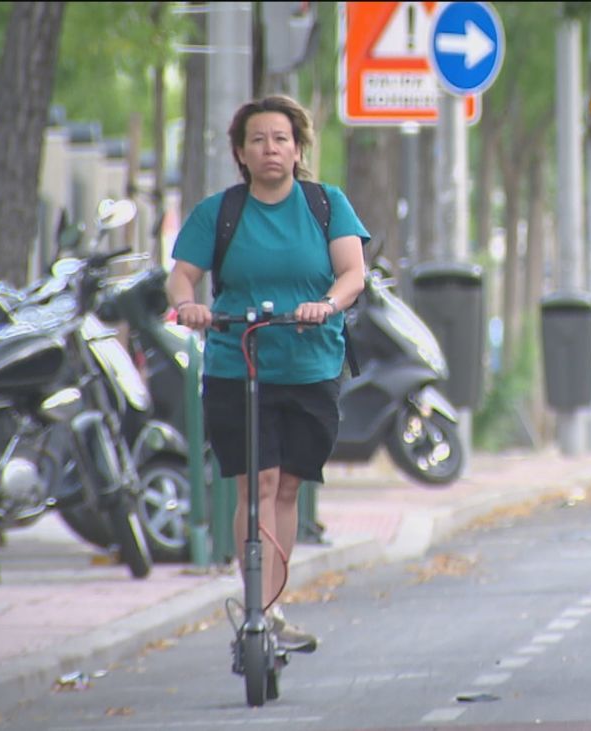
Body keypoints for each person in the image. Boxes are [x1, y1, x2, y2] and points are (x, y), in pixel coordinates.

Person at [165, 95, 369, 651]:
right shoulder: (221, 211)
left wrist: (325, 304)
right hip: (239, 362)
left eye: (280, 138)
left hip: (311, 363)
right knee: (257, 483)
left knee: (288, 487)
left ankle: (272, 607)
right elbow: (181, 276)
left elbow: (353, 273)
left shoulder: (327, 205)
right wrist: (190, 306)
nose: (270, 148)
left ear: (298, 147)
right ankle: (257, 611)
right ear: (241, 152)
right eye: (258, 139)